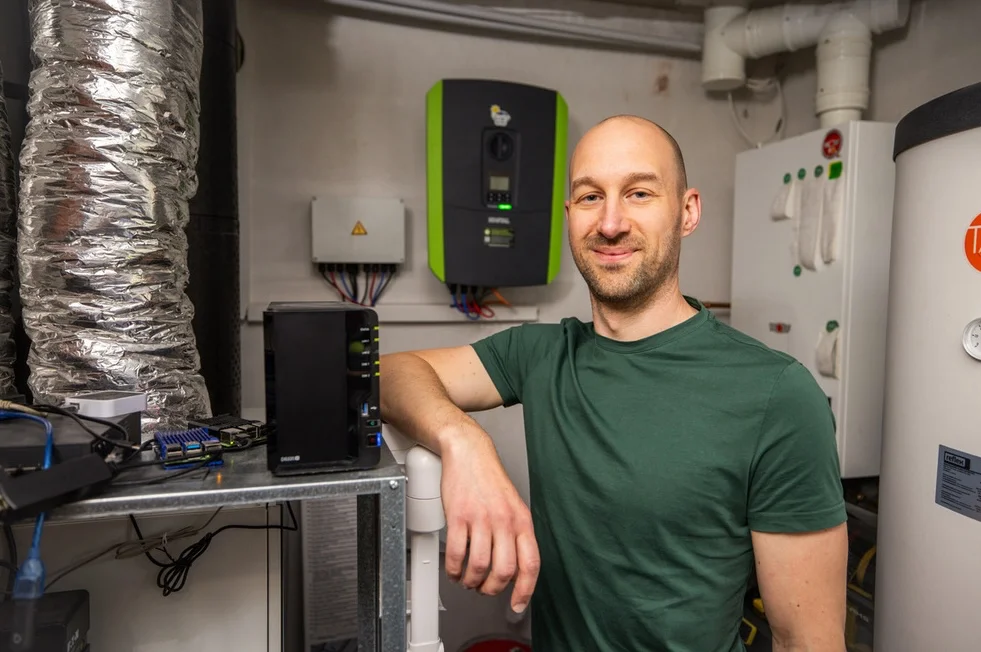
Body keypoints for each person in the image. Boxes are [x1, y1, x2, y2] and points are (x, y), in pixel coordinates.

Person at [379, 115, 848, 651]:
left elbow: (808, 642)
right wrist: (464, 441)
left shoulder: (777, 395)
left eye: (639, 193)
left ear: (687, 211)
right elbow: (386, 373)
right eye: (589, 197)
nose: (610, 222)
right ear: (569, 215)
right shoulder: (540, 354)